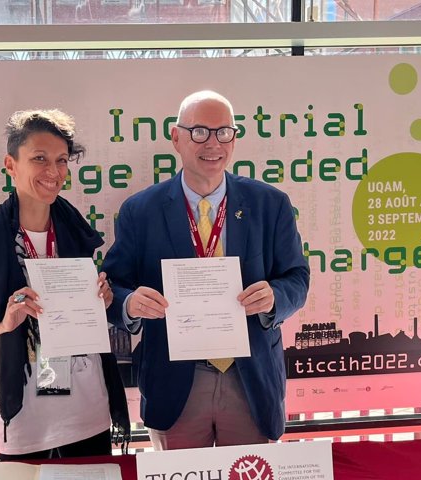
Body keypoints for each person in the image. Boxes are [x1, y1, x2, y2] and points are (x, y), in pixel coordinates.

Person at [102, 91, 309, 449]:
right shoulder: (141, 211)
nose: (213, 143)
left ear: (234, 139)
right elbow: (114, 286)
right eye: (199, 132)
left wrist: (276, 298)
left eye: (223, 132)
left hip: (250, 379)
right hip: (176, 383)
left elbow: (297, 278)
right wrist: (129, 304)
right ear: (176, 137)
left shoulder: (270, 204)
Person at [0, 109, 129, 460]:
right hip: (24, 418)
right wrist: (2, 324)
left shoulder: (77, 234)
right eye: (39, 159)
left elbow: (86, 314)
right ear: (10, 164)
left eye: (61, 161)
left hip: (86, 409)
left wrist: (101, 300)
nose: (53, 172)